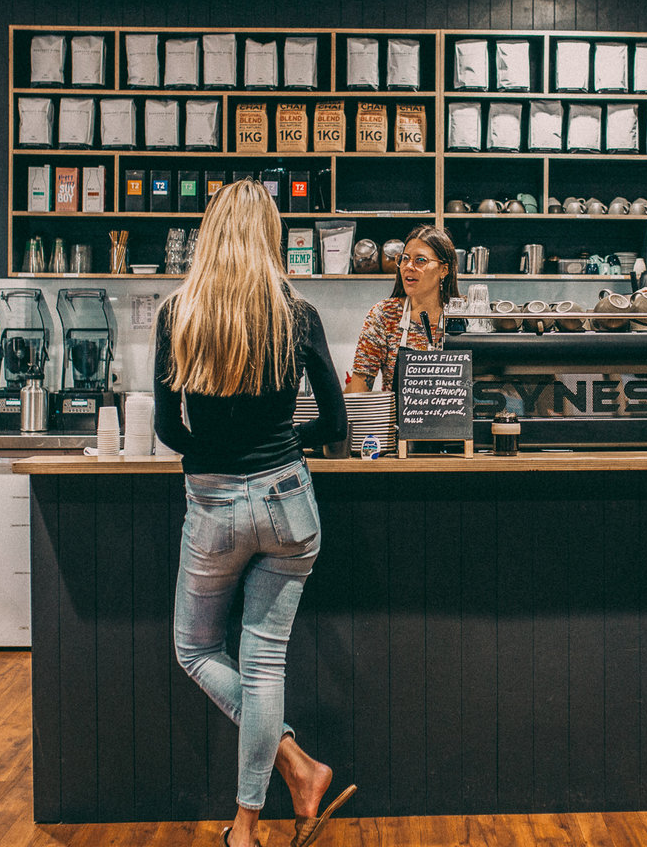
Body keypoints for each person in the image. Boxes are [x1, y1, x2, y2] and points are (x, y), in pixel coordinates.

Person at [153, 179, 354, 847]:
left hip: (212, 504)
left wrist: (218, 446)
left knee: (196, 650)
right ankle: (256, 813)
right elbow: (335, 422)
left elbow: (170, 431)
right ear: (271, 236)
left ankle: (286, 780)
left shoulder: (178, 312)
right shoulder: (295, 312)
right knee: (265, 666)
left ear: (210, 232)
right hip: (288, 501)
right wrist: (280, 444)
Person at [346, 225, 460, 393]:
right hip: (397, 419)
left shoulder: (463, 316)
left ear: (444, 269)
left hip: (454, 418)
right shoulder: (385, 315)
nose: (408, 266)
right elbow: (359, 388)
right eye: (405, 258)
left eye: (420, 260)